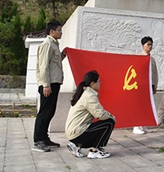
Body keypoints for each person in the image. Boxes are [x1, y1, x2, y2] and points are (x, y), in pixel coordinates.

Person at [65, 70, 116, 159]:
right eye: (99, 81)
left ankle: (76, 145)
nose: (100, 83)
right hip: (77, 132)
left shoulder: (84, 92)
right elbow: (100, 114)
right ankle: (94, 151)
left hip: (73, 132)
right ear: (92, 83)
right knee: (109, 123)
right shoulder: (89, 95)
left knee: (100, 126)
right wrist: (112, 117)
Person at [32, 20, 65, 153]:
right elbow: (43, 66)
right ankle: (38, 141)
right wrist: (46, 85)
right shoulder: (47, 44)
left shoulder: (54, 45)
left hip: (54, 83)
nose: (61, 32)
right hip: (48, 84)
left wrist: (62, 56)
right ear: (52, 31)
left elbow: (52, 64)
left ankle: (44, 138)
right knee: (44, 112)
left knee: (50, 112)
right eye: (59, 30)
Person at [133, 36, 159, 135]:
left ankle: (143, 125)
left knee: (146, 106)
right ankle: (136, 126)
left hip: (150, 85)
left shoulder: (152, 59)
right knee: (139, 106)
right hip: (141, 86)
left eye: (151, 44)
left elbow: (155, 73)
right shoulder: (139, 58)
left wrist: (155, 85)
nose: (150, 46)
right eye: (148, 44)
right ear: (143, 46)